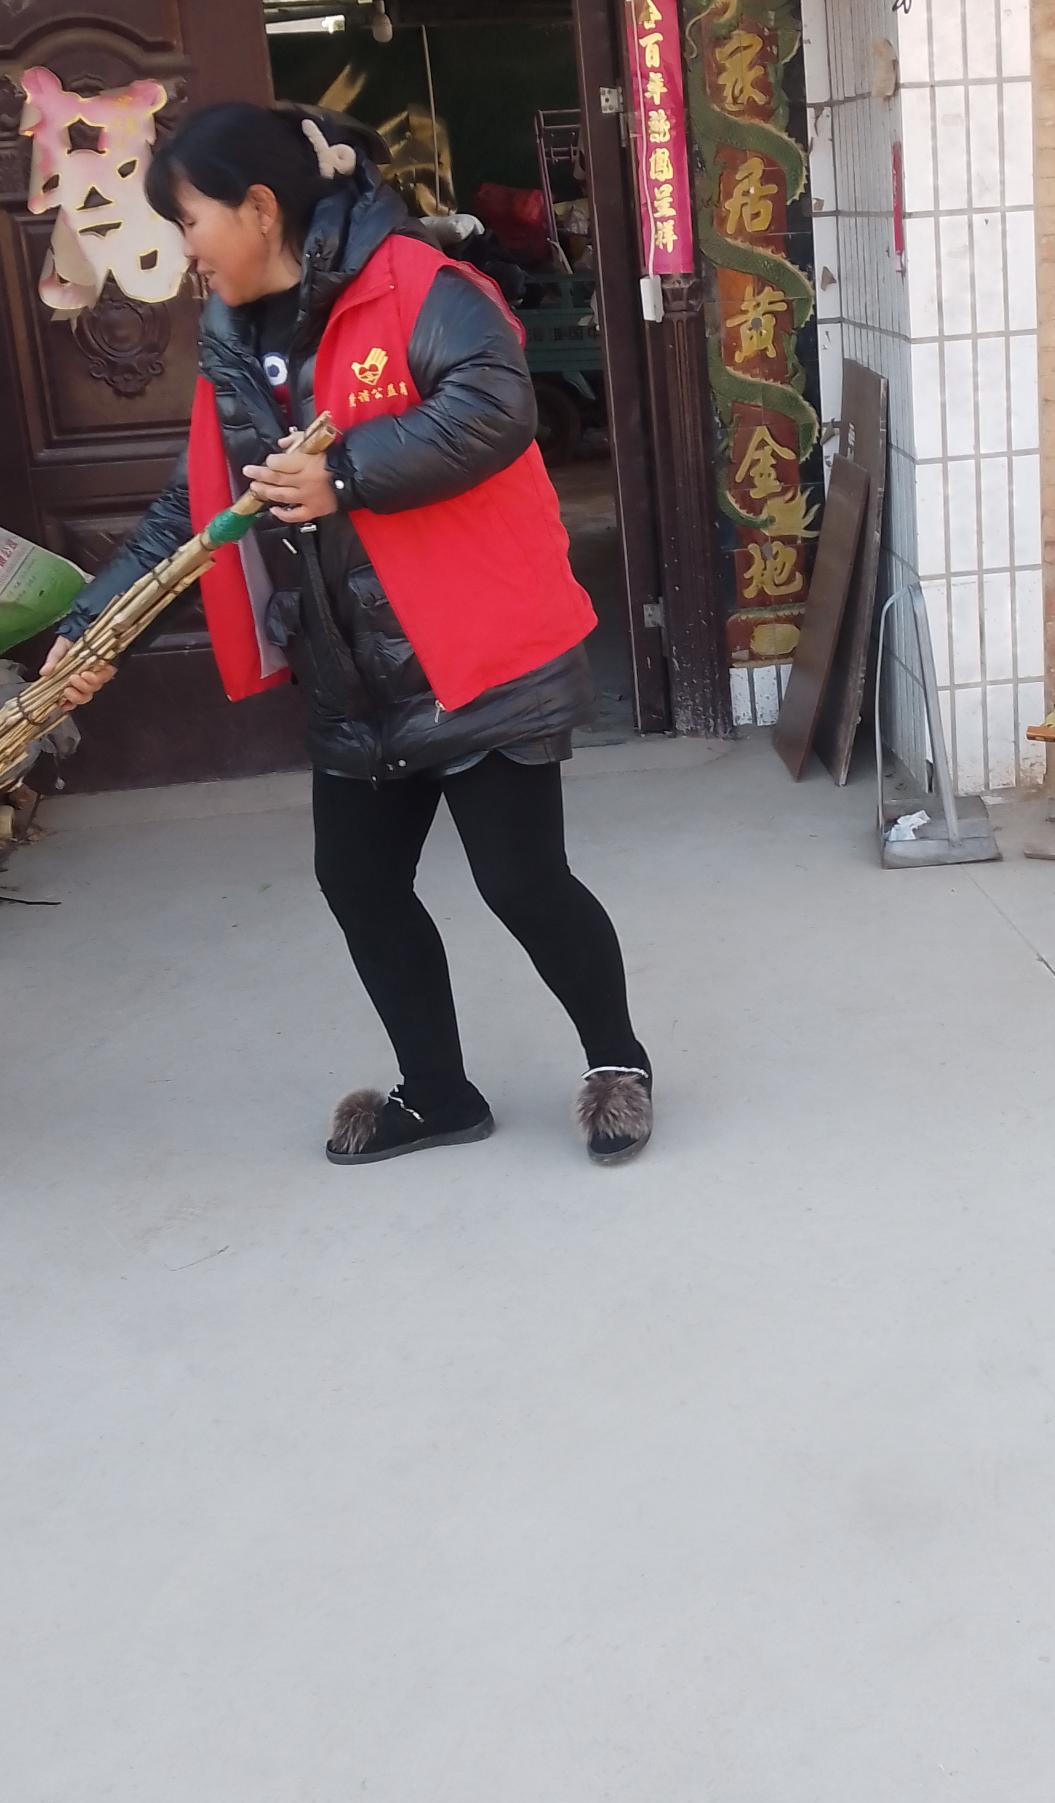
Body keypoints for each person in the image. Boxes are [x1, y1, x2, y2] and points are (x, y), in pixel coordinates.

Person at [43, 101, 653, 1167]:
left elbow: (495, 406)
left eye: (189, 220)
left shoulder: (417, 284)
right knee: (360, 884)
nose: (185, 249)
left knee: (521, 882)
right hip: (352, 666)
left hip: (474, 653)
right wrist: (95, 627)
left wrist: (348, 474)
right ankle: (439, 1095)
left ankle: (619, 1062)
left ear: (258, 208)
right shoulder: (235, 338)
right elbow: (196, 501)